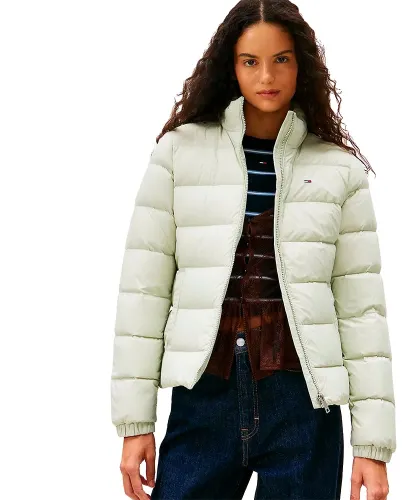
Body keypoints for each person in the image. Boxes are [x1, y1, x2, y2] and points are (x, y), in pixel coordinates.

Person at [110, 0, 396, 498]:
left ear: (302, 64)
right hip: (204, 396)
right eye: (251, 61)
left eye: (282, 59)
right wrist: (136, 423)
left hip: (304, 406)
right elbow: (144, 293)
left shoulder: (340, 171)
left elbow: (362, 312)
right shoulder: (178, 154)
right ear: (231, 65)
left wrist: (372, 446)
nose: (267, 75)